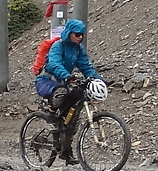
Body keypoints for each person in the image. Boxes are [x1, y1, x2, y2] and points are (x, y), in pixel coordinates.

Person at [34, 18, 106, 158]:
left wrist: (100, 80)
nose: (80, 38)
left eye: (81, 35)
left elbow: (86, 67)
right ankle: (51, 115)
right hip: (46, 80)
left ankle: (66, 151)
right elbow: (54, 64)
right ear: (68, 33)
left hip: (63, 81)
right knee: (61, 91)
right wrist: (67, 76)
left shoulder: (78, 50)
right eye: (77, 34)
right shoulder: (58, 46)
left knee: (74, 117)